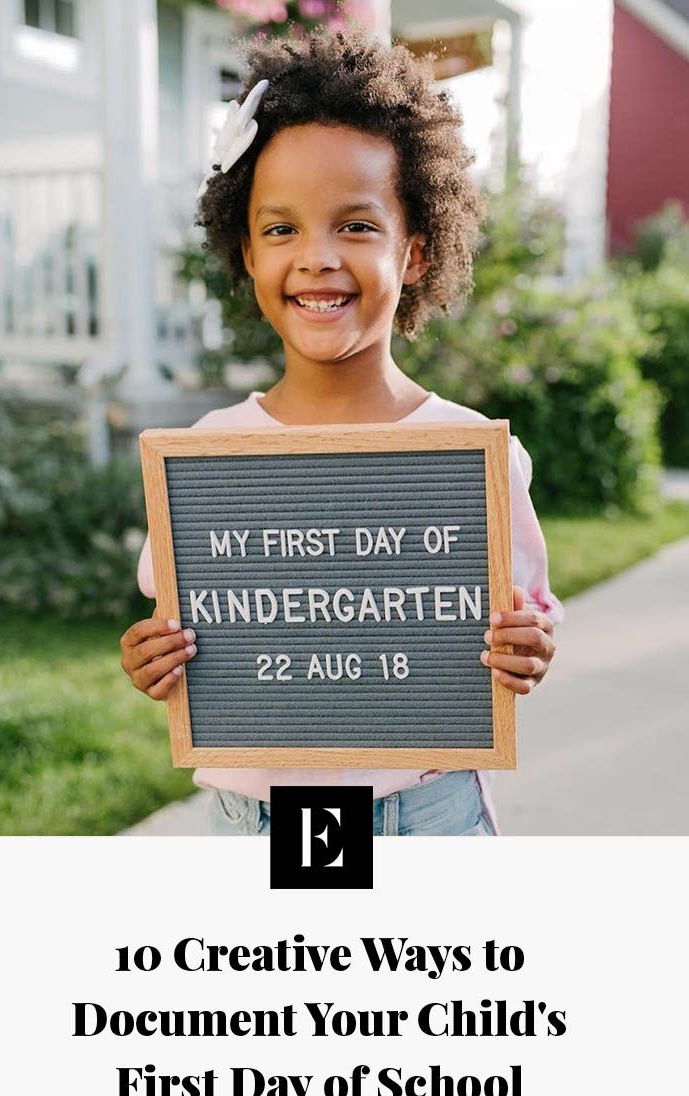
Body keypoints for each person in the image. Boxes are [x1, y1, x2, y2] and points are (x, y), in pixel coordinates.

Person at [120, 26, 562, 837]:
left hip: (427, 815)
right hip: (255, 823)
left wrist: (526, 644)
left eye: (355, 226)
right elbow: (177, 619)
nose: (317, 257)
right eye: (282, 229)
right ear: (246, 253)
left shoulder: (469, 454)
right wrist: (151, 657)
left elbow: (524, 613)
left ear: (415, 252)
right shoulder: (209, 454)